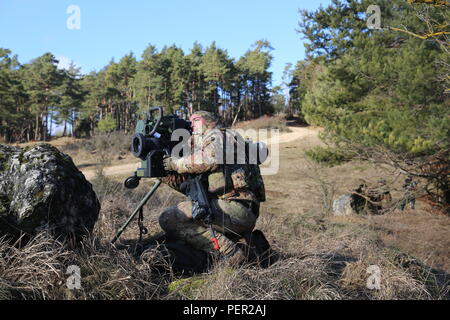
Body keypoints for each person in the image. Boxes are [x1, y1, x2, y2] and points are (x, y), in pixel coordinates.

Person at [158, 111, 266, 265]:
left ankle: (231, 254)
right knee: (176, 220)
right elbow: (189, 188)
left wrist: (176, 163)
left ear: (210, 122)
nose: (191, 124)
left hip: (237, 207)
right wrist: (161, 172)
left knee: (170, 217)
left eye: (195, 120)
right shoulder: (203, 146)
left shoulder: (222, 135)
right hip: (228, 208)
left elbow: (209, 159)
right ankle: (234, 247)